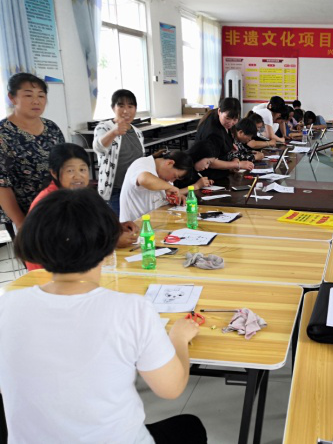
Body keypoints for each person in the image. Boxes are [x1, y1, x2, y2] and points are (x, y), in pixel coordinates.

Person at [2, 188, 207, 443]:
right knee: (190, 427)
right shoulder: (132, 309)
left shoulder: (7, 305)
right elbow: (171, 388)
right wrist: (178, 338)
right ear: (109, 244)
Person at [25, 143, 140, 271]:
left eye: (82, 169)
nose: (78, 176)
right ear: (54, 173)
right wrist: (112, 242)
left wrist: (116, 228)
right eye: (70, 171)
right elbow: (68, 243)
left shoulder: (77, 194)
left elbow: (87, 227)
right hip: (49, 272)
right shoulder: (49, 203)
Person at [0, 73, 65, 231]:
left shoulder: (52, 128)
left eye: (41, 96)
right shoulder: (3, 134)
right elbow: (2, 184)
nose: (36, 101)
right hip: (24, 214)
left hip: (57, 209)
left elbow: (65, 165)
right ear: (12, 98)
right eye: (28, 95)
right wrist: (20, 222)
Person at [93, 89, 145, 215]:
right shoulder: (104, 127)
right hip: (115, 191)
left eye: (130, 106)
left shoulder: (138, 132)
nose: (126, 111)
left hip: (135, 190)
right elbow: (98, 147)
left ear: (135, 109)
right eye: (121, 106)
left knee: (136, 223)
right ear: (113, 108)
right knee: (118, 225)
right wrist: (114, 132)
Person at [119, 150, 194, 222]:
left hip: (156, 223)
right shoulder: (143, 163)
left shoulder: (164, 177)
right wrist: (170, 187)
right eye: (174, 176)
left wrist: (176, 198)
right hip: (135, 226)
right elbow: (144, 179)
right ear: (169, 163)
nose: (172, 181)